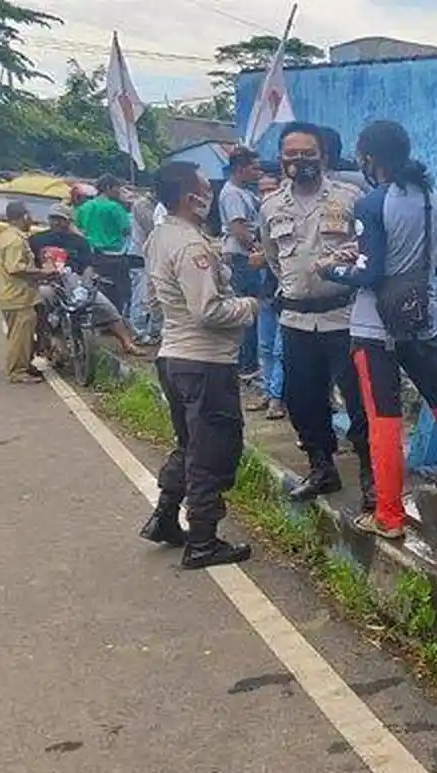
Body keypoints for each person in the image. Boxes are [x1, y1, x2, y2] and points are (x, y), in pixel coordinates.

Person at [321, 120, 437, 539]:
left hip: (375, 327)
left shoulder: (372, 204)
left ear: (368, 159)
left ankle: (389, 518)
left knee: (384, 419)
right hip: (421, 320)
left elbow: (370, 273)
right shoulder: (436, 199)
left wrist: (333, 267)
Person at [138, 161, 258, 569]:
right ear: (192, 198)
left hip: (174, 355)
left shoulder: (160, 237)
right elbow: (208, 310)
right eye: (206, 190)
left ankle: (165, 517)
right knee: (214, 451)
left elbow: (154, 300)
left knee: (190, 444)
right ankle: (203, 541)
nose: (211, 197)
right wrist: (249, 307)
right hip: (205, 361)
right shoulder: (191, 246)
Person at [259, 122, 373, 510]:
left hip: (344, 317)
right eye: (291, 154)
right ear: (280, 159)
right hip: (295, 322)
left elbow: (367, 247)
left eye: (308, 153)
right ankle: (322, 468)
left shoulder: (351, 196)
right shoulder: (271, 206)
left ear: (324, 157)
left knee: (360, 403)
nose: (299, 161)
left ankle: (371, 478)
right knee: (303, 400)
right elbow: (273, 258)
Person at [28, 204, 142, 356]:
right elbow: (29, 264)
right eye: (53, 218)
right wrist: (41, 275)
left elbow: (88, 265)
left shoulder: (79, 242)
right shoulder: (36, 240)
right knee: (41, 301)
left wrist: (87, 283)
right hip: (47, 283)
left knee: (106, 307)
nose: (56, 222)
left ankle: (127, 343)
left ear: (68, 221)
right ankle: (45, 340)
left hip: (74, 283)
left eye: (61, 219)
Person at [219, 147, 265, 383]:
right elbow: (239, 230)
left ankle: (248, 363)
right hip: (242, 258)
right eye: (254, 168)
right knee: (249, 310)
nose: (259, 172)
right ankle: (247, 365)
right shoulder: (233, 194)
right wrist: (257, 249)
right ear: (240, 169)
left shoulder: (244, 192)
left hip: (244, 257)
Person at [0, 202, 54, 384]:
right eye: (29, 215)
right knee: (19, 336)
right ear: (23, 216)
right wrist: (41, 272)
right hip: (17, 295)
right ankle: (17, 371)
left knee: (26, 333)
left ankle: (25, 364)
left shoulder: (10, 236)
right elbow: (15, 268)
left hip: (21, 294)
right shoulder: (14, 240)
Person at [253, 172, 285, 419]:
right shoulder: (262, 221)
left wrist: (264, 257)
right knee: (265, 347)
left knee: (279, 350)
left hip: (285, 292)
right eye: (261, 190)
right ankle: (267, 393)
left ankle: (276, 398)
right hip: (265, 291)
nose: (265, 195)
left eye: (270, 189)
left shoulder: (288, 215)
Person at [77, 174, 133, 316]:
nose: (119, 192)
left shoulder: (84, 207)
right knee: (121, 290)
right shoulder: (114, 207)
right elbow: (127, 229)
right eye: (117, 188)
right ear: (108, 188)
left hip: (91, 254)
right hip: (115, 255)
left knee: (94, 289)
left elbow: (78, 228)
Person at [128, 191, 163, 345]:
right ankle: (138, 332)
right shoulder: (142, 205)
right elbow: (154, 228)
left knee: (155, 297)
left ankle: (153, 332)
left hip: (153, 256)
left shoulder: (157, 206)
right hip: (140, 255)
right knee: (141, 296)